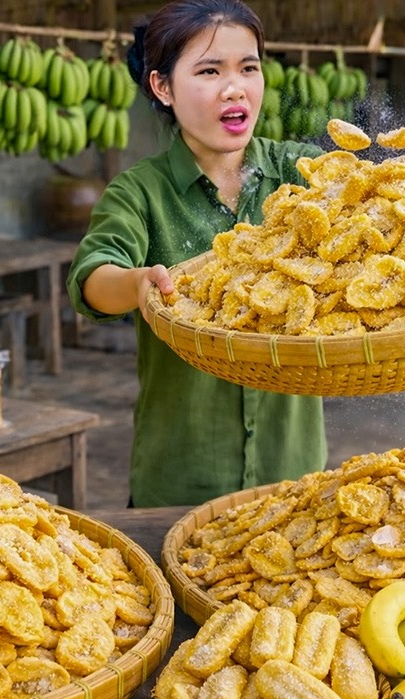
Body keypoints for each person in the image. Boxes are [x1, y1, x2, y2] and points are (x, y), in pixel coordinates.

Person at [66, 0, 327, 507]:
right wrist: (137, 283)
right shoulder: (139, 193)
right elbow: (92, 277)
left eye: (248, 68)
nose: (235, 88)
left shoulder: (304, 174)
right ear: (162, 87)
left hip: (292, 480)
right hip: (181, 483)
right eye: (209, 71)